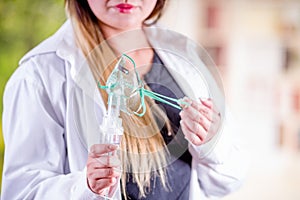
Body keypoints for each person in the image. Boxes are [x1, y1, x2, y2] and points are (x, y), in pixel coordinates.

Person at [1, 0, 247, 199]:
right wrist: (84, 187)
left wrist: (213, 144)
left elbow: (228, 182)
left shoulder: (183, 57)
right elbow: (21, 193)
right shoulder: (40, 75)